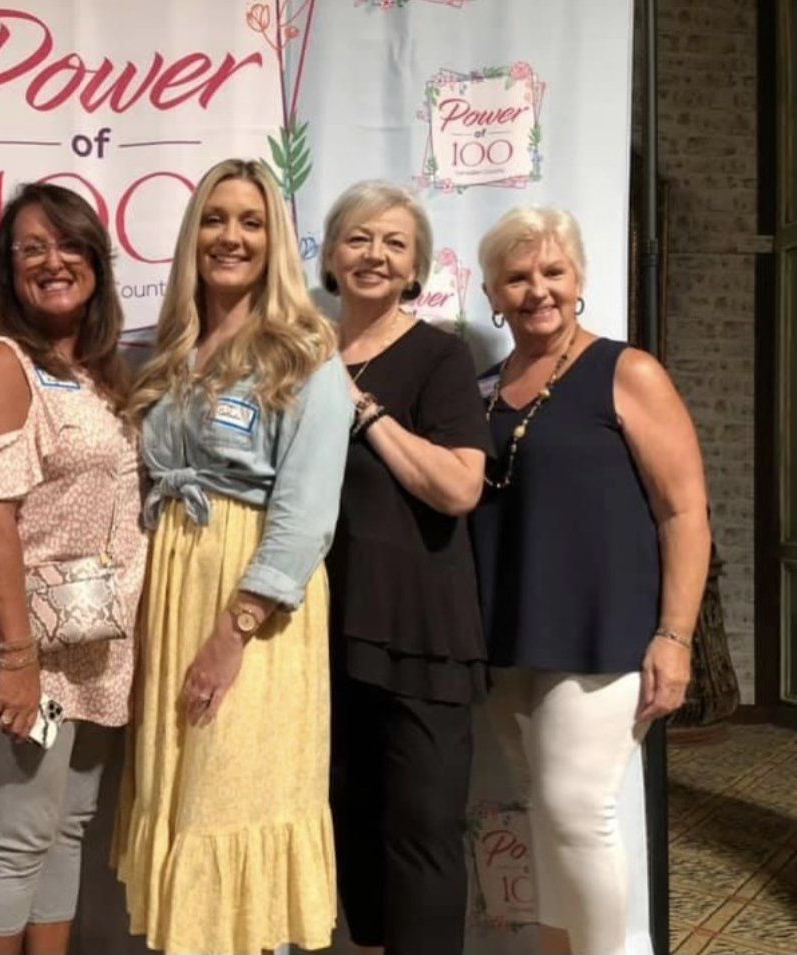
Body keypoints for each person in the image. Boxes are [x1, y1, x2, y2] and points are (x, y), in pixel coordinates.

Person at [113, 158, 352, 955]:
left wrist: (234, 627)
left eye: (251, 221)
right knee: (178, 795)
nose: (231, 236)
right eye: (216, 219)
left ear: (274, 239)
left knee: (234, 794)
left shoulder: (305, 352)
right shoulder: (166, 349)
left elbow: (307, 512)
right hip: (172, 582)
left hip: (253, 604)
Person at [469, 206, 710, 955]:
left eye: (552, 271)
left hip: (604, 631)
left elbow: (684, 510)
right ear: (491, 293)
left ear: (579, 280)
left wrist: (674, 634)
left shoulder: (627, 370)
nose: (537, 289)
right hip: (510, 630)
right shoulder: (484, 388)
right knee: (544, 812)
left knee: (576, 807)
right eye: (518, 276)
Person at [0, 182, 144, 955]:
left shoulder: (99, 373)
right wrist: (16, 658)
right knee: (19, 836)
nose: (53, 261)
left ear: (96, 260)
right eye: (31, 248)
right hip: (21, 637)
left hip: (93, 638)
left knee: (66, 830)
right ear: (7, 270)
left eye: (69, 245)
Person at [321, 181, 490, 955]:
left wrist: (366, 410)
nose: (374, 254)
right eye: (358, 238)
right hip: (321, 626)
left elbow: (459, 486)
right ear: (329, 255)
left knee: (422, 828)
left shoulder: (439, 357)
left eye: (393, 242)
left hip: (422, 627)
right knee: (348, 818)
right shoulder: (300, 355)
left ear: (416, 266)